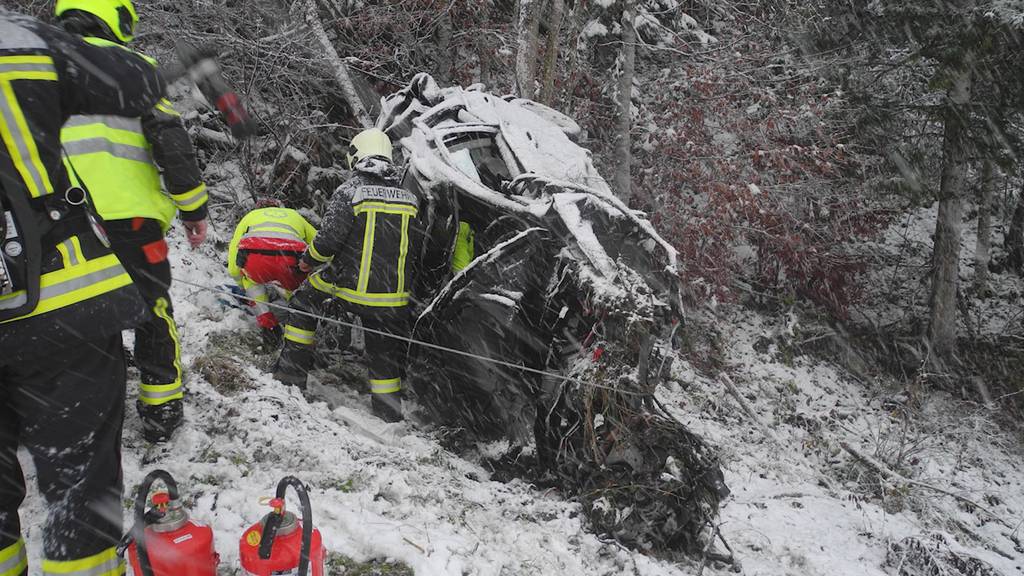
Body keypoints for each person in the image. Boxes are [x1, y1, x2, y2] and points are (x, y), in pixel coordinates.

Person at [0, 7, 169, 575]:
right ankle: (163, 407)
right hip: (61, 297)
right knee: (80, 487)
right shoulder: (21, 42)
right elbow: (142, 87)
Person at [55, 0, 210, 443]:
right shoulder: (132, 66)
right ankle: (161, 408)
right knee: (152, 307)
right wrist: (192, 208)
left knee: (76, 312)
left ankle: (84, 409)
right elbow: (170, 140)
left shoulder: (38, 66)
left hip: (59, 222)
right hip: (134, 220)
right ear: (112, 15)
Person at [275, 129, 424, 422]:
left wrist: (306, 262)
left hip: (349, 288)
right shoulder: (409, 199)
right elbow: (415, 247)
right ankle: (388, 412)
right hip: (393, 297)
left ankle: (289, 377)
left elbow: (327, 242)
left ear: (356, 155)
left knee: (304, 302)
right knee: (383, 350)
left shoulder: (350, 192)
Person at [227, 202, 317, 346]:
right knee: (294, 290)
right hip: (290, 259)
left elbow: (233, 261)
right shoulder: (295, 215)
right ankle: (295, 319)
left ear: (259, 209)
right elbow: (319, 242)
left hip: (257, 259)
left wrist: (242, 283)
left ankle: (268, 325)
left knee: (250, 280)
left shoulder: (250, 216)